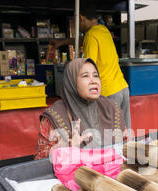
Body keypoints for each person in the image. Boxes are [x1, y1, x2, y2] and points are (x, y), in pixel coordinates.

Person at [51, 2, 131, 130]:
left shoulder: (91, 35)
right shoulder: (103, 30)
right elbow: (82, 41)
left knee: (108, 136)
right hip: (123, 88)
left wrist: (70, 65)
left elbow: (87, 66)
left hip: (108, 92)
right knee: (126, 132)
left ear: (81, 18)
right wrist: (63, 42)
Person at [34, 58, 127, 160]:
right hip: (77, 174)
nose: (93, 81)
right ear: (72, 82)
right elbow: (41, 160)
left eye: (96, 75)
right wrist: (68, 149)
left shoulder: (111, 108)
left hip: (111, 172)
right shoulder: (56, 115)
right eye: (85, 76)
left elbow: (126, 147)